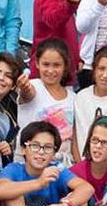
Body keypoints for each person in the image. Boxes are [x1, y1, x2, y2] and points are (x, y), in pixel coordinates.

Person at [0, 121, 94, 206]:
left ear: (54, 153)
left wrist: (64, 205)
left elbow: (86, 188)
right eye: (35, 146)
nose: (41, 152)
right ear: (23, 149)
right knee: (12, 194)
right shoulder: (14, 169)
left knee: (80, 200)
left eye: (48, 147)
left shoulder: (56, 169)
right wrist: (38, 183)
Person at [16, 38, 78, 166]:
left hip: (64, 166)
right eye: (46, 64)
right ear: (37, 63)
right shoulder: (33, 86)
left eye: (56, 65)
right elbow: (27, 94)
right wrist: (24, 88)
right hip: (29, 166)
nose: (50, 70)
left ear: (65, 66)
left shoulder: (74, 98)